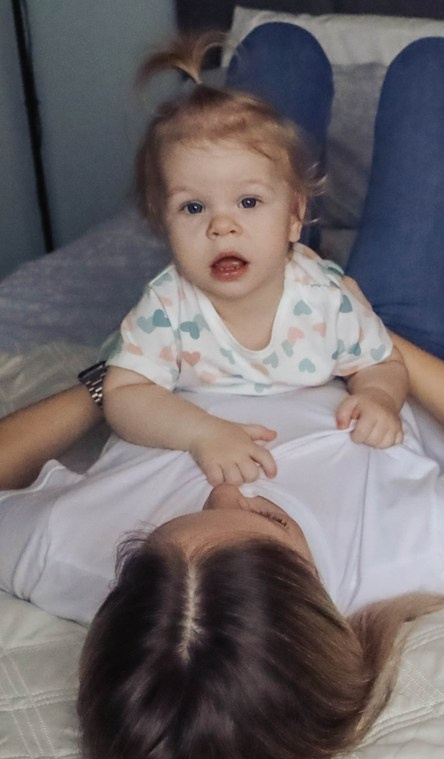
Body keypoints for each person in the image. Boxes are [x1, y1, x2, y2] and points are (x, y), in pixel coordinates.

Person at [0, 23, 444, 759]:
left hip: (230, 324)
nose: (234, 483)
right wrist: (374, 353)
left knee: (275, 49)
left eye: (175, 522)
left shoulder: (74, 556)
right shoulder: (406, 556)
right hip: (379, 340)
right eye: (271, 520)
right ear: (317, 600)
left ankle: (273, 144)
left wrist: (108, 381)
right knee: (440, 71)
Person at [104, 33, 407, 487]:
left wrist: (379, 397)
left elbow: (381, 362)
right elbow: (124, 395)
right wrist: (201, 432)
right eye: (193, 207)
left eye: (248, 202)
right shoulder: (168, 305)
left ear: (294, 216)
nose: (221, 227)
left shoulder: (323, 297)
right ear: (162, 223)